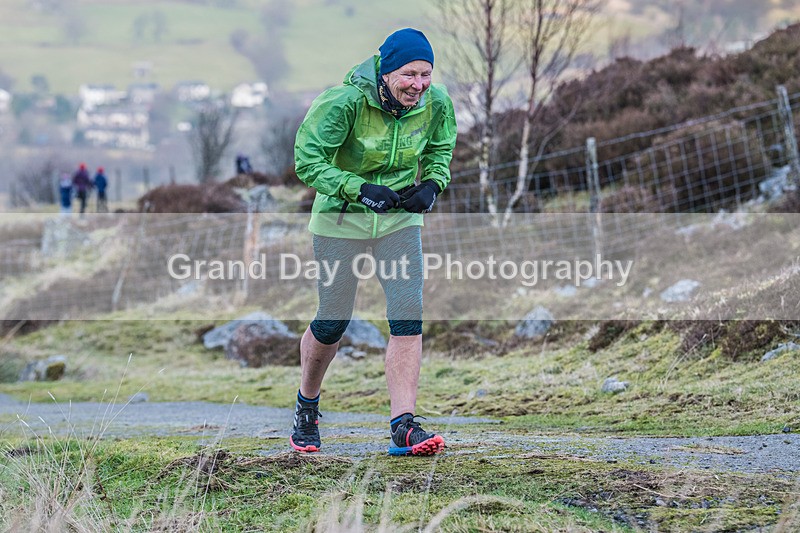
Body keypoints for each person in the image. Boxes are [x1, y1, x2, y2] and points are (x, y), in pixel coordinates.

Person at [290, 28, 457, 456]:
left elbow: (441, 150)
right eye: (408, 75)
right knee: (333, 321)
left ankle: (403, 426)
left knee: (407, 316)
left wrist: (433, 185)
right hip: (340, 222)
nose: (418, 85)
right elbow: (308, 161)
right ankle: (306, 408)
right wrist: (357, 188)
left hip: (398, 222)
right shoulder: (343, 103)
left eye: (425, 74)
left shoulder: (436, 103)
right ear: (385, 72)